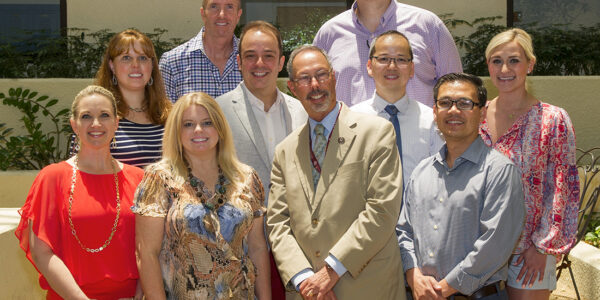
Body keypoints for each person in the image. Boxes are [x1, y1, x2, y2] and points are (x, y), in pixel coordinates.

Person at [267, 45, 405, 300]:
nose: (315, 85)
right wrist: (305, 280)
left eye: (321, 75)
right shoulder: (284, 151)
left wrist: (330, 271)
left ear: (334, 78)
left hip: (367, 288)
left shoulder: (377, 133)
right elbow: (278, 223)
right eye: (305, 79)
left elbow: (382, 211)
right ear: (293, 88)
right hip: (308, 293)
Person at [397, 73, 525, 300]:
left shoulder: (499, 171)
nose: (454, 110)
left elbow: (495, 244)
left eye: (465, 103)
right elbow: (404, 231)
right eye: (445, 103)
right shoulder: (422, 172)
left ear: (482, 112)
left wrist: (443, 289)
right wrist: (413, 275)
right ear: (435, 111)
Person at [133, 92, 271, 299]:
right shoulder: (159, 178)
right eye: (188, 124)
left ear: (220, 128)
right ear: (176, 132)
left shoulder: (246, 178)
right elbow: (147, 253)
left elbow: (258, 248)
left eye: (207, 122)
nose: (198, 130)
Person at [15, 85, 145, 299]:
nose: (96, 124)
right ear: (74, 125)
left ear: (116, 123)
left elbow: (151, 249)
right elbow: (41, 253)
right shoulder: (52, 178)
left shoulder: (139, 179)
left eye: (104, 115)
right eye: (86, 117)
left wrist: (139, 295)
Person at [480, 28, 580, 300]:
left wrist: (543, 247)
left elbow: (562, 188)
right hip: (478, 248)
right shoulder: (474, 115)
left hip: (529, 250)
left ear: (530, 64)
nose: (504, 69)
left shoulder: (552, 119)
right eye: (496, 60)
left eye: (514, 60)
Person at [216, 20, 307, 299]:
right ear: (239, 62)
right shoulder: (216, 112)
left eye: (268, 55)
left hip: (299, 250)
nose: (260, 63)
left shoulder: (303, 112)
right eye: (250, 55)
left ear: (280, 62)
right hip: (239, 251)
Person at [313, 0, 462, 107]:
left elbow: (457, 90)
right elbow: (317, 95)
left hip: (422, 144)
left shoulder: (428, 25)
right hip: (352, 145)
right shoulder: (328, 34)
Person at [351, 30, 444, 185]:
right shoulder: (352, 119)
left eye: (401, 59)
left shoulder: (431, 121)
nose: (392, 66)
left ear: (412, 68)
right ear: (369, 66)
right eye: (383, 59)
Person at [94, 29, 172, 168]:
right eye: (126, 58)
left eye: (142, 58)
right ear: (112, 65)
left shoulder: (169, 116)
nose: (135, 65)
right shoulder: (98, 117)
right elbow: (79, 172)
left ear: (152, 65)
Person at [159, 0, 243, 101]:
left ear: (238, 15)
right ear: (203, 13)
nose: (222, 14)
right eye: (214, 6)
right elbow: (165, 115)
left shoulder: (253, 62)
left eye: (229, 7)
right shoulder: (172, 63)